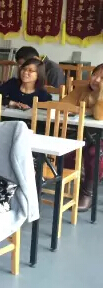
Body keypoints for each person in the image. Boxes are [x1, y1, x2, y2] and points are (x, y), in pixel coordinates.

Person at [61, 64, 103, 211]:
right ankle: (77, 186)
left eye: (102, 78)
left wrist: (100, 94)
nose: (96, 80)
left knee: (94, 153)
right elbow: (63, 106)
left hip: (101, 138)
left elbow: (99, 115)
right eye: (94, 75)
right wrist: (86, 110)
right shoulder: (82, 89)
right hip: (83, 135)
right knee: (67, 150)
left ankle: (87, 194)